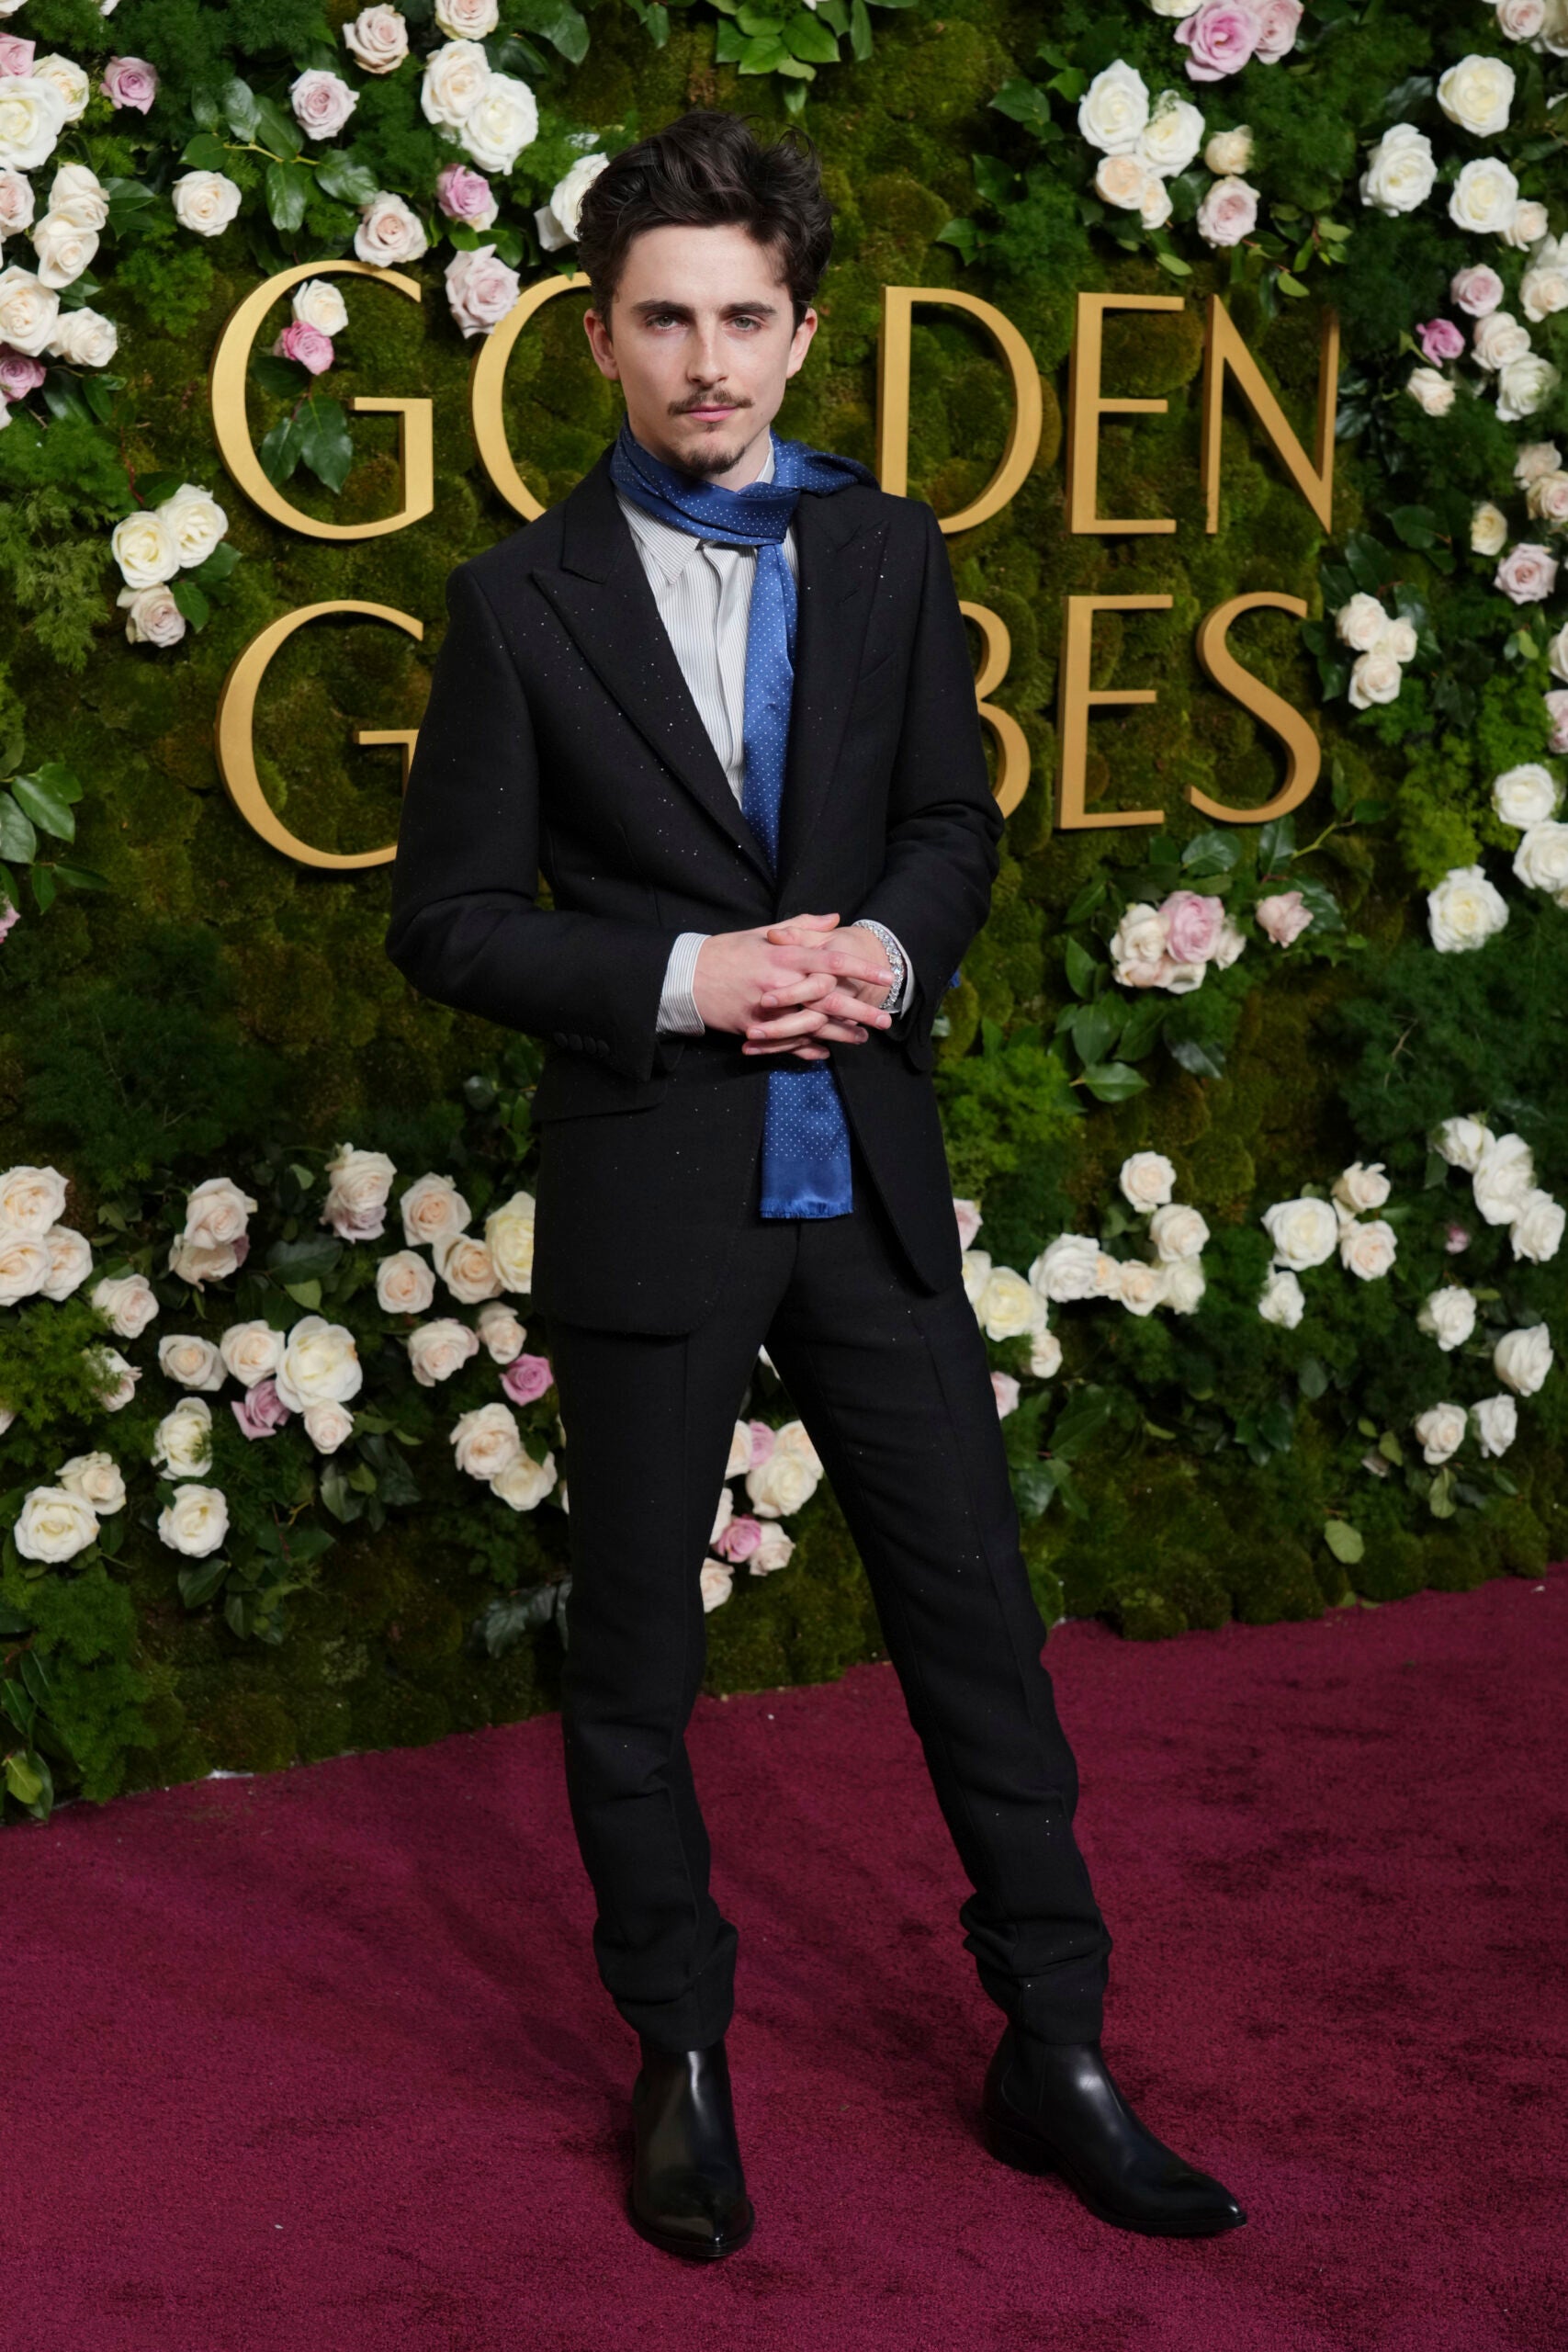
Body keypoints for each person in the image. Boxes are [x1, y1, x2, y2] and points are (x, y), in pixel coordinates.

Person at [385, 107, 1246, 2259]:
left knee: (974, 1623)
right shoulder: (513, 604)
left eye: (744, 319)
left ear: (799, 328)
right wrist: (682, 974)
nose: (708, 362)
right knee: (636, 1667)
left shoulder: (888, 551)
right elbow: (453, 919)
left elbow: (948, 821)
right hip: (655, 1189)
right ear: (595, 339)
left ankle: (1049, 2042)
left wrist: (889, 941)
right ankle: (678, 2053)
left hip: (861, 1173)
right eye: (664, 319)